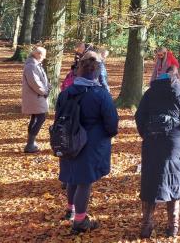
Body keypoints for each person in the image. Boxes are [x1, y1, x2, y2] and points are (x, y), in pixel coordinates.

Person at [57, 51, 119, 234]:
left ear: (79, 72)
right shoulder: (100, 94)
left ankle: (70, 209)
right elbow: (112, 123)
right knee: (84, 181)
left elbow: (59, 116)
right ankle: (80, 220)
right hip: (90, 144)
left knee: (72, 176)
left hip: (67, 140)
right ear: (97, 73)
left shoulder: (65, 93)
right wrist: (107, 134)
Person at [135, 65, 180, 238]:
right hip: (174, 141)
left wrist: (145, 134)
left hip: (152, 140)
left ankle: (146, 226)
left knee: (150, 180)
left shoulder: (150, 92)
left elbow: (139, 117)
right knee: (175, 180)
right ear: (178, 77)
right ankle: (173, 227)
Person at [21, 46, 50, 153]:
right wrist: (44, 91)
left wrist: (47, 86)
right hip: (36, 96)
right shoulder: (31, 66)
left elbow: (40, 80)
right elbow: (35, 83)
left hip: (37, 96)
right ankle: (30, 144)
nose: (44, 57)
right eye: (43, 54)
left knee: (35, 118)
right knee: (41, 117)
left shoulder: (35, 64)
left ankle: (31, 142)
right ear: (37, 54)